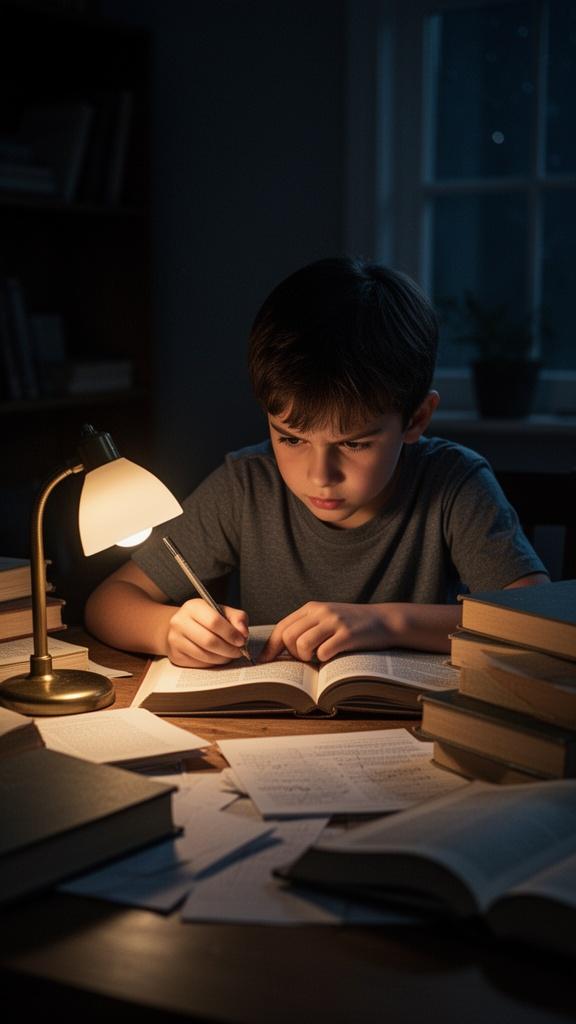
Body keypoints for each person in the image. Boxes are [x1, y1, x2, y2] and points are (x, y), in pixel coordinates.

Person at [85, 257, 549, 666]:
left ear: (416, 418)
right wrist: (168, 630)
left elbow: (537, 622)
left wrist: (386, 622)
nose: (318, 476)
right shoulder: (247, 485)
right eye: (291, 438)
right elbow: (108, 601)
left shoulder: (453, 482)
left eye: (354, 444)